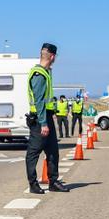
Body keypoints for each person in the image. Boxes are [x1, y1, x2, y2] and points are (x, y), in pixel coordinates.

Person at [25, 43, 68, 193]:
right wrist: (43, 123)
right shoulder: (39, 74)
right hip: (39, 119)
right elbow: (39, 101)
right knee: (34, 152)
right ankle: (33, 184)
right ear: (52, 56)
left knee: (52, 151)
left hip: (46, 117)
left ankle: (53, 182)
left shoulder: (46, 72)